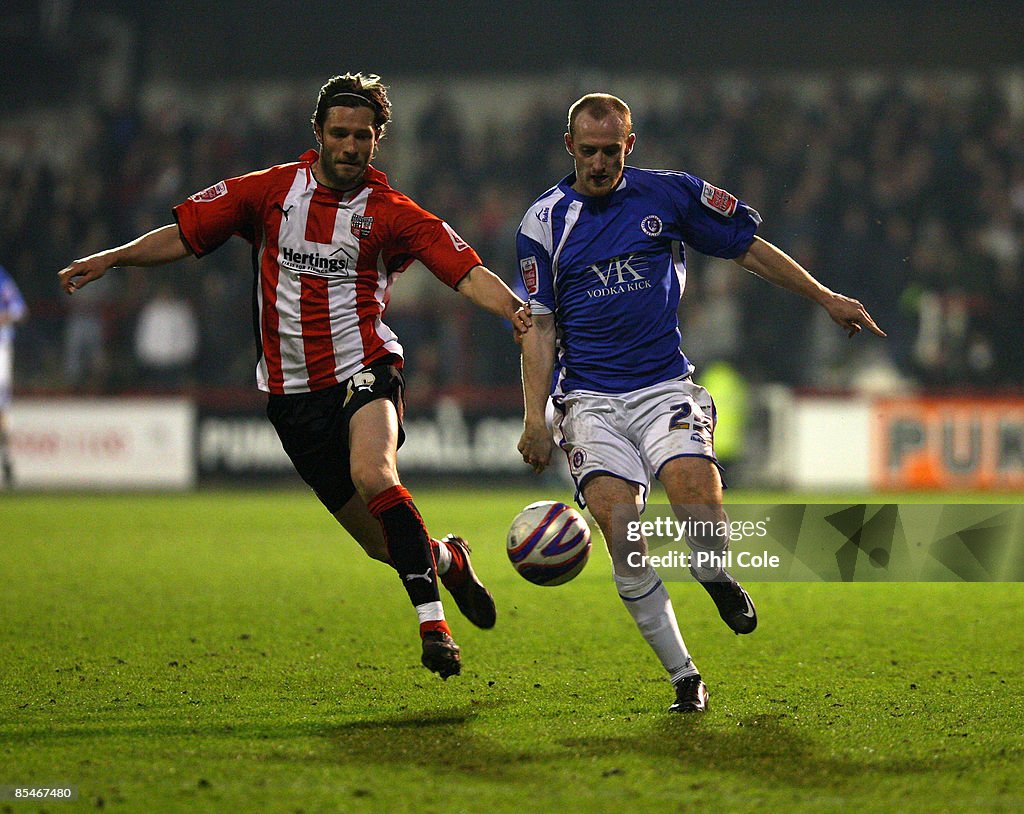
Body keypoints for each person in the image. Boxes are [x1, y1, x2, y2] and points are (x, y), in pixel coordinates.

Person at [59, 72, 532, 680]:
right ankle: (448, 561)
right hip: (291, 396)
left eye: (363, 136)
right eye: (339, 133)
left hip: (366, 366)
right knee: (379, 544)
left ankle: (433, 626)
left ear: (376, 141)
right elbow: (186, 234)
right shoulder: (268, 193)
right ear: (318, 133)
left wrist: (513, 311)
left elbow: (464, 271)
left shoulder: (392, 213)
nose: (350, 146)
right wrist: (112, 257)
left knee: (374, 471)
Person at [516, 93, 884, 713]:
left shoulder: (671, 195)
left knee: (696, 495)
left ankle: (713, 572)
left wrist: (825, 297)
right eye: (589, 151)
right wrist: (535, 416)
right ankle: (685, 676)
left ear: (629, 146)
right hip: (589, 402)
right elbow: (541, 327)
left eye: (612, 150)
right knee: (622, 531)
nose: (600, 162)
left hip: (663, 385)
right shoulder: (542, 224)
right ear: (569, 147)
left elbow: (748, 247)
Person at [0, 263, 28, 487]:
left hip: (0, 349)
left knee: (1, 408)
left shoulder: (1, 278)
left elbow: (19, 310)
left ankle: (6, 459)